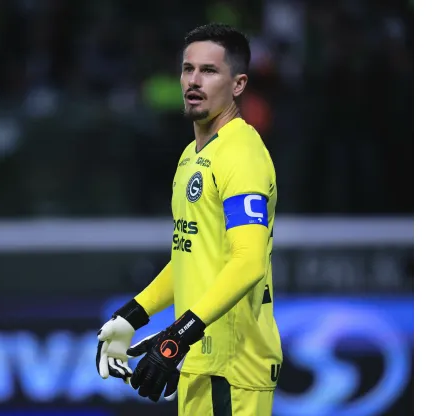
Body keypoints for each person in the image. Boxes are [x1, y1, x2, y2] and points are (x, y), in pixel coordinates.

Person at [96, 23, 282, 415]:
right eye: (187, 69)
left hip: (233, 365)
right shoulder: (190, 157)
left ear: (238, 84)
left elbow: (247, 261)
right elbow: (188, 255)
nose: (194, 81)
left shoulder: (241, 154)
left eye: (209, 71)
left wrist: (175, 339)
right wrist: (134, 314)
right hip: (201, 361)